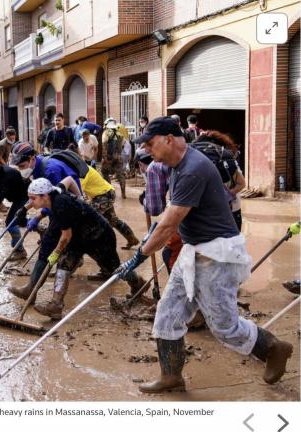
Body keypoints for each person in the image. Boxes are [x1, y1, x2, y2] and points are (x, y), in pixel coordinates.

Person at [116, 116, 293, 393]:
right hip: (194, 250)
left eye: (150, 143)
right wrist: (146, 244)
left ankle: (273, 348)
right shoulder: (176, 165)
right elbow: (168, 220)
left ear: (169, 139)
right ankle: (171, 375)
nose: (147, 150)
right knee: (168, 312)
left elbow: (170, 223)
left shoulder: (192, 169)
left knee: (224, 326)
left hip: (217, 254)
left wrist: (138, 256)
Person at [25, 178, 144, 319]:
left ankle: (137, 282)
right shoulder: (53, 199)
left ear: (44, 196)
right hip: (79, 238)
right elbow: (61, 229)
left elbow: (65, 236)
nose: (31, 203)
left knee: (114, 268)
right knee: (64, 264)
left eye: (33, 198)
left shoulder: (60, 204)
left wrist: (56, 252)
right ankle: (56, 305)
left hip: (99, 236)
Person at [8, 143, 85, 299]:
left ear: (31, 158)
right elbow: (41, 195)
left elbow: (54, 200)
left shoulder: (50, 171)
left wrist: (37, 216)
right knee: (49, 245)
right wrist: (25, 208)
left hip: (69, 208)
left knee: (59, 248)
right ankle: (32, 288)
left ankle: (43, 293)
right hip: (59, 207)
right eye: (18, 167)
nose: (22, 169)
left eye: (22, 165)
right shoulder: (37, 167)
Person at [62, 165, 139, 251]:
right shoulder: (82, 168)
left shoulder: (82, 172)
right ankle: (131, 239)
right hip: (106, 193)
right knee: (113, 220)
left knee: (89, 219)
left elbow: (78, 193)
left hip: (104, 195)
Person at [193, 130, 246, 231]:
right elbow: (242, 183)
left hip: (205, 212)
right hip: (232, 208)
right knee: (233, 241)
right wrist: (227, 196)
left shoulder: (195, 162)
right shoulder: (228, 160)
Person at [100, 117, 126, 198]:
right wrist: (118, 156)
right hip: (118, 157)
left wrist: (104, 158)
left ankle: (110, 192)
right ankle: (123, 193)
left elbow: (104, 146)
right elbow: (122, 146)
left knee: (105, 173)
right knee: (120, 175)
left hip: (109, 157)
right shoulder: (120, 134)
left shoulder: (106, 133)